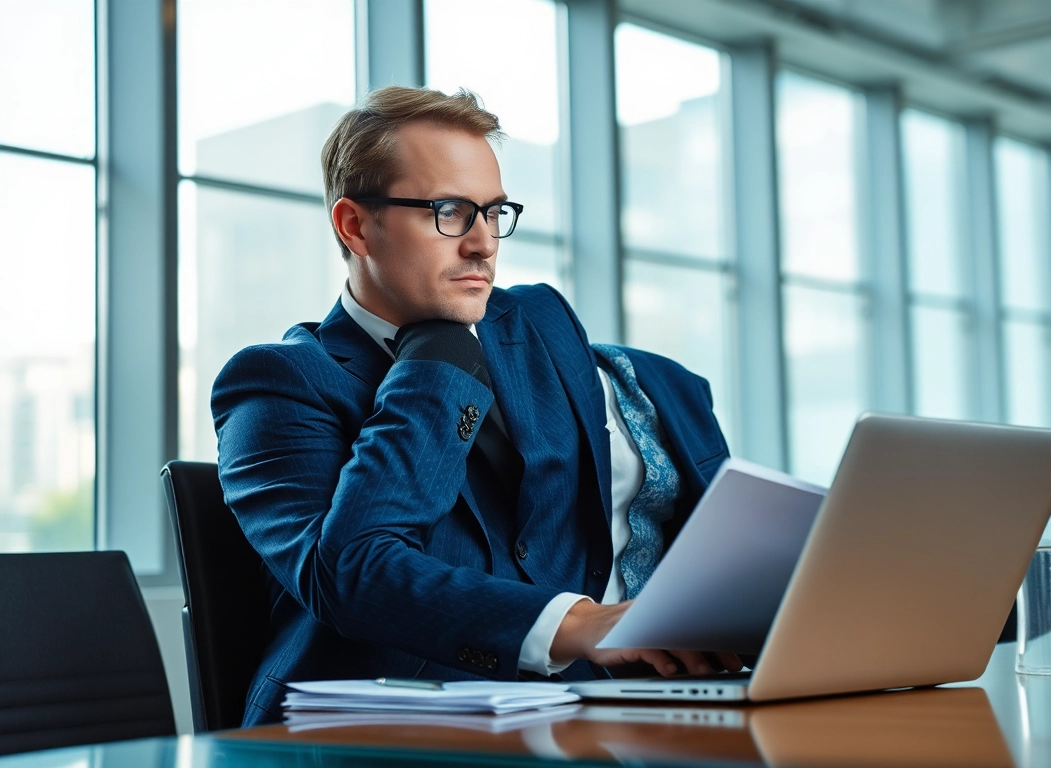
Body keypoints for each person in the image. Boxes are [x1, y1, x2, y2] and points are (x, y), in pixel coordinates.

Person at [212, 86, 739, 726]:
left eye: (493, 212)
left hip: (570, 717)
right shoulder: (278, 381)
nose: (484, 245)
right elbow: (354, 575)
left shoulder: (533, 327)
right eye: (450, 212)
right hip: (366, 732)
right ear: (355, 225)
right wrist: (438, 361)